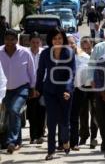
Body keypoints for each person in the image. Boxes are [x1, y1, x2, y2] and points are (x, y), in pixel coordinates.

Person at [35, 28, 75, 160]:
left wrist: (68, 90)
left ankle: (65, 140)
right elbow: (40, 73)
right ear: (50, 40)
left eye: (59, 38)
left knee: (64, 120)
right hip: (50, 91)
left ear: (63, 39)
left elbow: (71, 73)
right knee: (51, 121)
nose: (57, 41)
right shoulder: (45, 53)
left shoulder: (69, 52)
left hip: (65, 90)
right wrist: (37, 89)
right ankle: (50, 150)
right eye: (54, 38)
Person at [0, 30, 36, 154]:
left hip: (21, 88)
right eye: (7, 39)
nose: (9, 42)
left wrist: (33, 87)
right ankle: (18, 141)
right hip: (5, 90)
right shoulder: (0, 52)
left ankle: (11, 141)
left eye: (12, 39)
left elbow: (31, 71)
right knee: (11, 113)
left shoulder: (25, 52)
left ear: (17, 40)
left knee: (14, 110)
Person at [67, 34, 90, 151]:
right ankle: (63, 142)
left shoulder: (85, 57)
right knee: (64, 117)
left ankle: (74, 142)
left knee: (74, 116)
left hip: (79, 90)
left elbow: (88, 75)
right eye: (67, 43)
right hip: (64, 91)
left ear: (76, 44)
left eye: (72, 43)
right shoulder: (59, 57)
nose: (70, 45)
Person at [78, 37, 98, 148]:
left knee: (95, 112)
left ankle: (93, 137)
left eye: (88, 46)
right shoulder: (79, 56)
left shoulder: (95, 56)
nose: (85, 48)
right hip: (82, 87)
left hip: (94, 88)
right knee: (83, 113)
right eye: (83, 46)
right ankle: (83, 135)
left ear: (91, 45)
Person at [26, 32, 45, 145]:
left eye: (37, 42)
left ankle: (40, 135)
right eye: (33, 42)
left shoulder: (44, 53)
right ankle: (33, 136)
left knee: (41, 111)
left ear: (40, 42)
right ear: (29, 42)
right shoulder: (25, 53)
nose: (35, 44)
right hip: (29, 86)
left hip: (42, 85)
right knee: (31, 111)